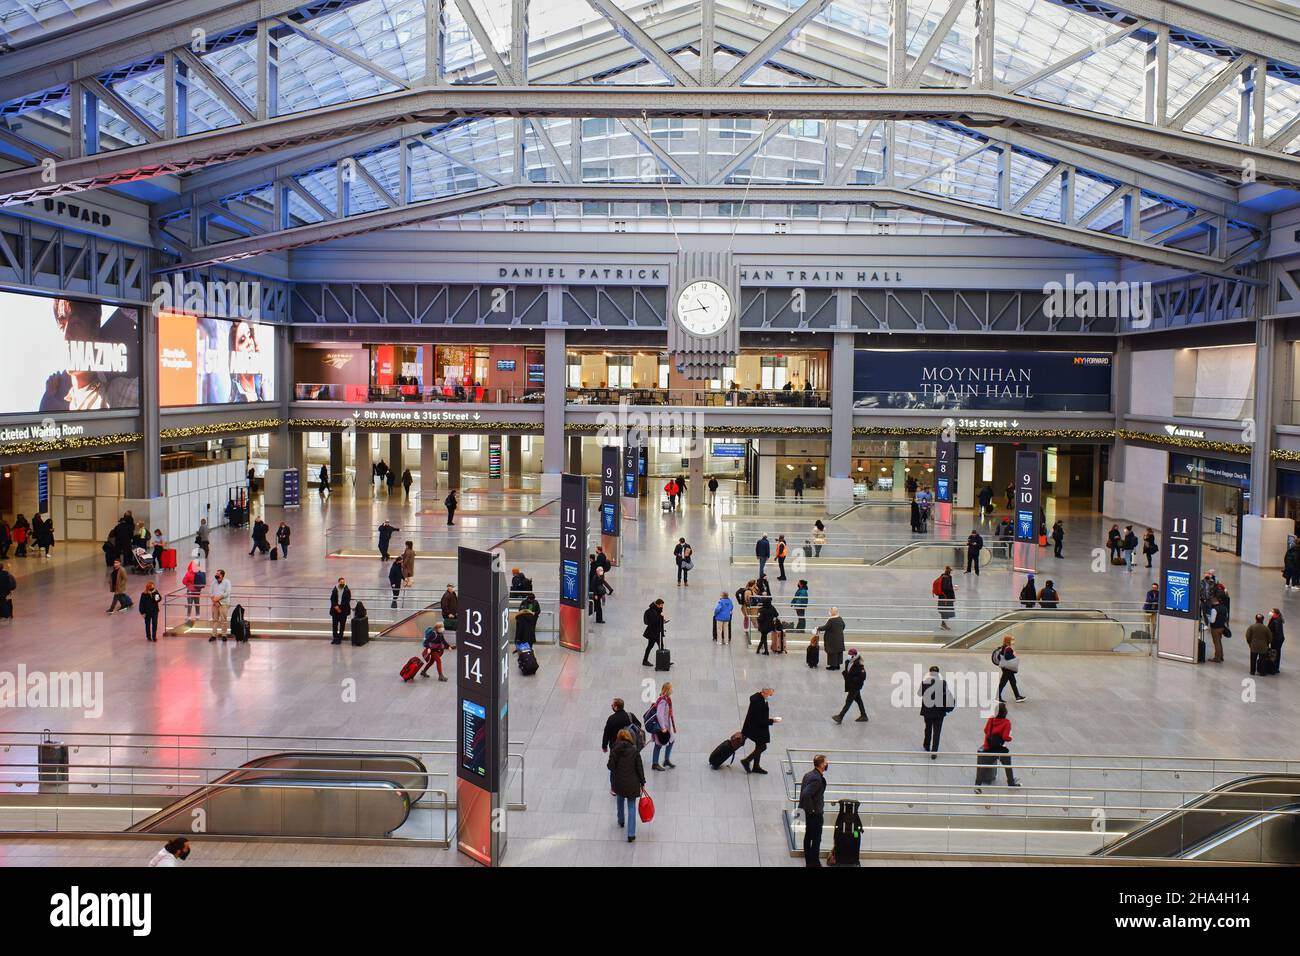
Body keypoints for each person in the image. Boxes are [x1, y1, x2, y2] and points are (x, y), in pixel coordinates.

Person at [607, 727, 646, 842]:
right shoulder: (634, 751)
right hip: (632, 783)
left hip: (618, 782)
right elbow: (640, 768)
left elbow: (610, 766)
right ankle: (631, 834)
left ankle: (621, 820)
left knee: (620, 799)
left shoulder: (614, 750)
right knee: (632, 806)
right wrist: (642, 782)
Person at [976, 703, 1020, 791]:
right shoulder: (1006, 722)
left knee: (983, 768)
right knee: (1007, 765)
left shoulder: (991, 720)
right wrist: (1010, 737)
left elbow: (985, 730)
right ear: (1005, 712)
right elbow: (1005, 737)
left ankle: (977, 786)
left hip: (989, 747)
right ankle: (1010, 782)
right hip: (1000, 749)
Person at [798, 755, 828, 867]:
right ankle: (814, 862)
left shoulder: (808, 775)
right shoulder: (816, 779)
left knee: (808, 836)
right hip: (814, 814)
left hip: (806, 812)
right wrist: (813, 810)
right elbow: (806, 794)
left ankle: (809, 862)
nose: (827, 764)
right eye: (825, 762)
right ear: (821, 764)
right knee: (816, 838)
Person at [739, 687, 778, 774]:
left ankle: (756, 766)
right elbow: (760, 720)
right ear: (764, 692)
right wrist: (773, 720)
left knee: (759, 746)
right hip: (756, 729)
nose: (770, 696)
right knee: (762, 746)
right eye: (770, 694)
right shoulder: (759, 703)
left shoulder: (759, 698)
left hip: (754, 727)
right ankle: (746, 761)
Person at [919, 665, 955, 758]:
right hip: (939, 712)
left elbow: (919, 693)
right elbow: (947, 695)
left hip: (928, 710)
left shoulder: (924, 682)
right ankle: (934, 753)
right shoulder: (943, 683)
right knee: (937, 732)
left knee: (928, 728)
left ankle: (926, 745)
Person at [831, 649, 868, 724]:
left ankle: (840, 717)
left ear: (855, 656)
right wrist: (845, 675)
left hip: (855, 687)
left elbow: (863, 677)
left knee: (848, 701)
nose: (848, 656)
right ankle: (864, 715)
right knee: (858, 700)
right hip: (851, 685)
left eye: (850, 655)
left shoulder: (859, 665)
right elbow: (847, 671)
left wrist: (852, 679)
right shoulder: (848, 662)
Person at [650, 682, 677, 771]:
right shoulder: (662, 701)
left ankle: (666, 760)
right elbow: (659, 715)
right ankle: (655, 763)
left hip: (667, 727)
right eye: (671, 689)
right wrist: (663, 728)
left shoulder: (667, 699)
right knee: (658, 745)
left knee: (672, 740)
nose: (672, 690)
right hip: (662, 727)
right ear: (667, 690)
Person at [993, 634, 1026, 702]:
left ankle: (1017, 697)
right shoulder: (1008, 648)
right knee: (1003, 683)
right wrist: (1013, 655)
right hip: (1007, 669)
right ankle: (997, 697)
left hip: (1006, 668)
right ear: (1008, 640)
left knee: (1013, 682)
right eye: (1012, 639)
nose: (1014, 641)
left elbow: (999, 657)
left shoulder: (1003, 647)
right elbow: (1007, 657)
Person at [207, 569, 231, 642]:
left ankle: (224, 635)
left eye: (218, 574)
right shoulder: (214, 582)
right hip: (215, 604)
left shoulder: (227, 582)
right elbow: (210, 593)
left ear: (222, 575)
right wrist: (214, 601)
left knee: (223, 620)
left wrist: (218, 599)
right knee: (215, 620)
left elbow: (227, 593)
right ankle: (214, 635)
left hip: (223, 604)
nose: (216, 575)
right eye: (216, 574)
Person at [641, 598, 666, 667]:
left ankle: (664, 661)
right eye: (661, 605)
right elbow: (652, 621)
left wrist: (662, 620)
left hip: (657, 632)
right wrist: (660, 618)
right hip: (653, 633)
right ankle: (645, 661)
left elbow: (658, 618)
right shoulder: (651, 611)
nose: (662, 606)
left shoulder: (658, 610)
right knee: (650, 646)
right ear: (657, 605)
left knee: (661, 646)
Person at [329, 577, 352, 645]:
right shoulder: (335, 590)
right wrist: (336, 606)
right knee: (334, 625)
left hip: (343, 611)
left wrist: (340, 608)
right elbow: (332, 599)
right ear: (338, 582)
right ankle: (335, 638)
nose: (342, 583)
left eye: (343, 582)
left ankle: (339, 639)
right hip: (335, 610)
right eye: (341, 582)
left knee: (342, 625)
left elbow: (347, 600)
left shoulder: (347, 590)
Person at [182, 559, 204, 625]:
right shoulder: (201, 573)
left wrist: (188, 584)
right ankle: (198, 615)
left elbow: (184, 581)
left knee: (189, 603)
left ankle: (188, 616)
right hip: (198, 590)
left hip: (190, 590)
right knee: (197, 602)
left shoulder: (189, 573)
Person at [1206, 593, 1226, 663]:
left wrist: (1208, 617)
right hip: (1222, 627)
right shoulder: (1224, 608)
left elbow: (1212, 621)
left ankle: (1217, 658)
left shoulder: (1214, 609)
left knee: (1216, 643)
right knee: (1219, 642)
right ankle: (1221, 656)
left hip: (1215, 628)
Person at [935, 565, 956, 630]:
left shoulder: (944, 576)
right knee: (945, 611)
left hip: (943, 597)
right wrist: (953, 591)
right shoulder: (947, 578)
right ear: (949, 571)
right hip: (945, 597)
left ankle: (943, 624)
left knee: (944, 611)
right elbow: (945, 588)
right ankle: (943, 625)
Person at [1268, 608, 1285, 673]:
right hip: (1278, 639)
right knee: (1277, 653)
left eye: (1272, 612)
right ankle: (1275, 668)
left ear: (1276, 613)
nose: (1271, 613)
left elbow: (1276, 631)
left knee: (1274, 653)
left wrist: (1272, 639)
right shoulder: (1275, 618)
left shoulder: (1276, 620)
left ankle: (1273, 669)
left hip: (1276, 640)